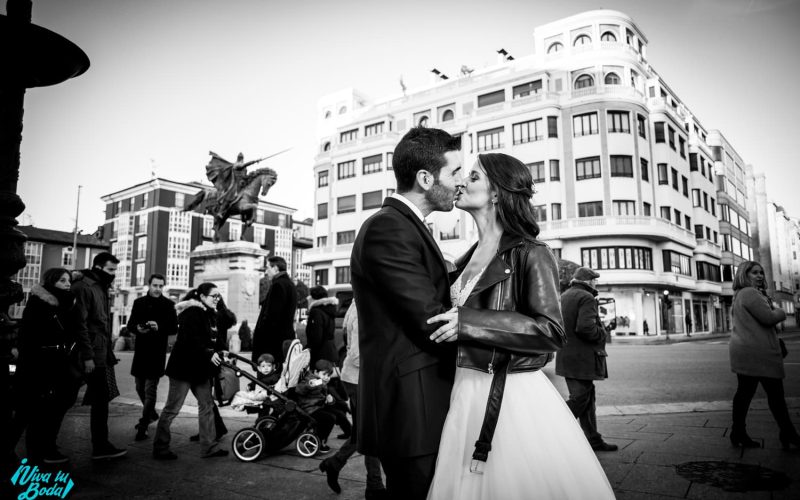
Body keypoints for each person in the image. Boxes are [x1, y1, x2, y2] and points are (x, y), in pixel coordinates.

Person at [425, 153, 614, 499]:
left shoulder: (531, 252)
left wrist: (471, 323)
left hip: (510, 398)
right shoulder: (464, 258)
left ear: (497, 192)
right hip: (464, 390)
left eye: (473, 177)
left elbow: (551, 330)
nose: (461, 182)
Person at [351, 127, 461, 499]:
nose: (460, 183)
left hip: (420, 403)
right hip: (411, 407)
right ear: (426, 179)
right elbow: (429, 321)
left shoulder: (408, 226)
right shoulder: (389, 228)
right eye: (455, 173)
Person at [9, 268, 92, 463]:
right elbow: (28, 335)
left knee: (49, 409)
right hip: (37, 364)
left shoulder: (70, 302)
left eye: (68, 280)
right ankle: (26, 453)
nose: (67, 284)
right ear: (51, 282)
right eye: (62, 280)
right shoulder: (39, 303)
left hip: (62, 362)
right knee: (27, 411)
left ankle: (43, 450)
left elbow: (79, 329)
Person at [152, 283, 229, 459]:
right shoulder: (192, 313)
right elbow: (190, 339)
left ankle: (209, 447)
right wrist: (208, 352)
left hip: (200, 369)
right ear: (202, 297)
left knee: (207, 405)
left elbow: (212, 338)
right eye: (213, 296)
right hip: (183, 368)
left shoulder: (209, 314)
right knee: (172, 408)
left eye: (219, 296)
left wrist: (222, 349)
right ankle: (160, 447)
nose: (217, 299)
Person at [729, 261, 800, 450]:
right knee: (775, 395)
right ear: (745, 274)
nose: (760, 275)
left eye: (761, 272)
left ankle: (738, 432)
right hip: (757, 352)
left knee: (745, 394)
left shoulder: (739, 295)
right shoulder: (750, 293)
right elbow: (768, 318)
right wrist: (782, 311)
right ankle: (789, 434)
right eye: (754, 272)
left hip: (747, 350)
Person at [319, 300, 386, 498]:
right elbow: (357, 354)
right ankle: (374, 486)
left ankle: (334, 464)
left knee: (363, 432)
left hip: (357, 378)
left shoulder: (361, 303)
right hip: (359, 379)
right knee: (370, 431)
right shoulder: (363, 307)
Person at [556, 266, 619, 453]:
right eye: (595, 280)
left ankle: (593, 439)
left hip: (567, 356)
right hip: (582, 358)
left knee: (587, 397)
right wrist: (602, 332)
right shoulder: (587, 298)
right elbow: (585, 328)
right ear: (589, 281)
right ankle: (552, 429)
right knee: (580, 398)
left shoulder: (565, 296)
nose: (596, 283)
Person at [72, 251, 127, 460]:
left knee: (101, 399)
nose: (113, 274)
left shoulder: (101, 287)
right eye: (110, 270)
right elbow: (81, 325)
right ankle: (43, 445)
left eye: (115, 270)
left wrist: (108, 353)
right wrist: (87, 356)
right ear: (98, 267)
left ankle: (101, 445)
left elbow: (101, 325)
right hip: (86, 355)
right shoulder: (85, 287)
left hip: (99, 354)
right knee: (63, 400)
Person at [127, 274, 177, 442]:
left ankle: (143, 426)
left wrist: (159, 326)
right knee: (139, 387)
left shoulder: (169, 305)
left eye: (161, 286)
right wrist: (138, 329)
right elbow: (130, 324)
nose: (158, 289)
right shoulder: (138, 302)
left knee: (150, 390)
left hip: (157, 352)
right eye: (155, 285)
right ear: (148, 285)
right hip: (141, 351)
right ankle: (151, 415)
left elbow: (172, 328)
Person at [252, 256, 297, 363]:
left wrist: (261, 337)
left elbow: (272, 316)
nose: (266, 272)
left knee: (269, 377)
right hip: (284, 339)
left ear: (275, 268)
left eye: (268, 268)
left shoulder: (278, 285)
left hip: (273, 343)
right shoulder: (289, 284)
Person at [295, 359, 340, 453]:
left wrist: (330, 400)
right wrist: (310, 384)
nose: (327, 378)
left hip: (316, 406)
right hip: (308, 408)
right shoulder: (311, 380)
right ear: (316, 372)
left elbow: (323, 396)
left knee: (335, 414)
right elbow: (299, 390)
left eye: (328, 375)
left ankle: (319, 438)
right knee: (329, 418)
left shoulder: (321, 382)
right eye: (324, 374)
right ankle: (319, 441)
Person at [305, 286, 339, 365]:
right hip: (329, 351)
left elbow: (316, 335)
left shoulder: (316, 312)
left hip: (319, 355)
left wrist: (309, 348)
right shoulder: (329, 309)